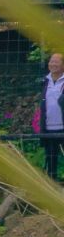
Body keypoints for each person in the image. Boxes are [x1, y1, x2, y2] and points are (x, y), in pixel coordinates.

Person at [39, 52, 64, 180]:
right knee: (51, 158)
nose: (53, 64)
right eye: (51, 61)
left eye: (56, 61)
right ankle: (52, 186)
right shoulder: (45, 81)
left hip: (62, 128)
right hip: (49, 128)